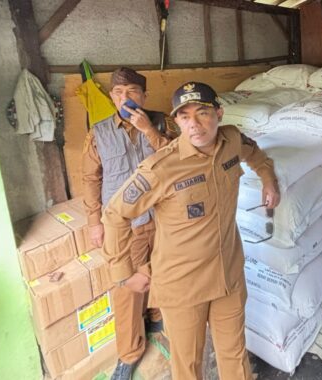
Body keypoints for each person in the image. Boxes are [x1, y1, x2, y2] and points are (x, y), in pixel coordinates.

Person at [101, 81, 280, 380]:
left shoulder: (232, 140)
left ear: (219, 113)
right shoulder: (161, 168)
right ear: (177, 120)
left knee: (234, 355)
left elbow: (255, 154)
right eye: (184, 117)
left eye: (202, 113)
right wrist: (123, 274)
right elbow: (115, 214)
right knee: (188, 366)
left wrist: (267, 178)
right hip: (183, 286)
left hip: (228, 275)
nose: (194, 125)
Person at [81, 67, 178, 380]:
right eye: (119, 93)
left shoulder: (162, 122)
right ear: (112, 97)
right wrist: (94, 222)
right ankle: (129, 353)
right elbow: (90, 178)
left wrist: (149, 129)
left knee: (163, 272)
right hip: (125, 225)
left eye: (133, 92)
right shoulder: (99, 132)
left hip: (163, 218)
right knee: (126, 290)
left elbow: (181, 162)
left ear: (144, 96)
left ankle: (156, 314)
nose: (126, 98)